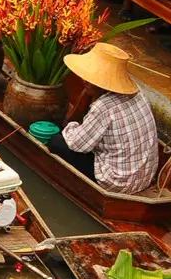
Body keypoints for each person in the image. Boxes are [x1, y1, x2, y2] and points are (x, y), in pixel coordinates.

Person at [58, 43, 158, 194]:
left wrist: (70, 126)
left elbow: (76, 144)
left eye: (91, 78)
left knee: (56, 142)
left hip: (118, 182)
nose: (85, 81)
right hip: (145, 177)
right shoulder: (138, 91)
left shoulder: (103, 107)